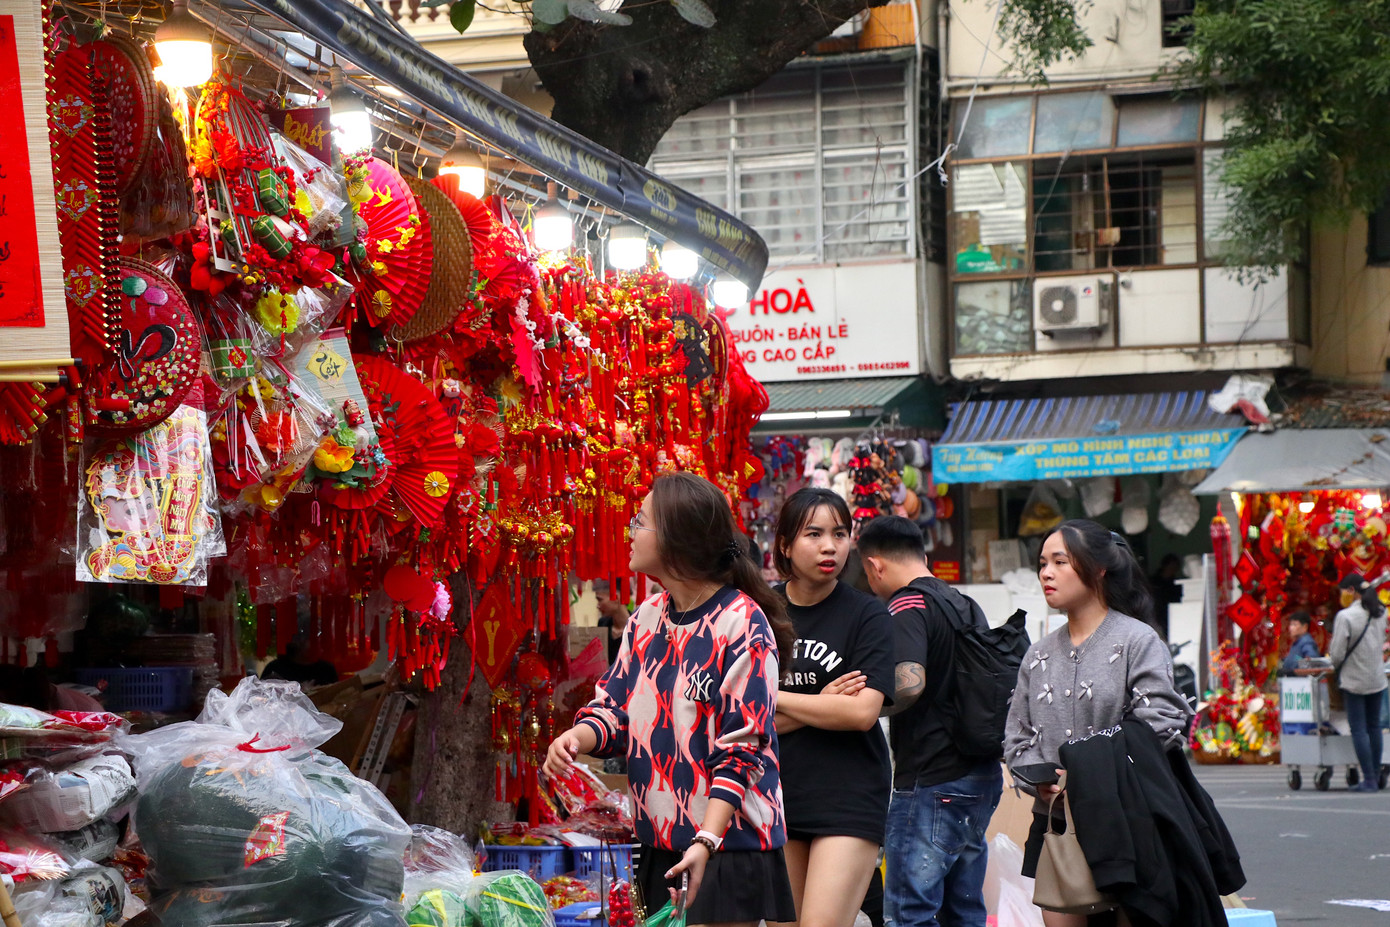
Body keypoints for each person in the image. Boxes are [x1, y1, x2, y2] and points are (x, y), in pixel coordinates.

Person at [544, 472, 798, 925]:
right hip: (662, 840)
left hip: (726, 843)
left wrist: (706, 841)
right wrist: (575, 739)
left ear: (677, 539)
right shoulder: (645, 619)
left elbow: (743, 750)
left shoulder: (741, 624)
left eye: (640, 522)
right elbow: (615, 710)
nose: (630, 531)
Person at [1004, 519, 1193, 927]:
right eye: (1042, 563)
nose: (1046, 573)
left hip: (1128, 823)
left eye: (1060, 562)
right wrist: (1037, 778)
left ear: (1099, 568)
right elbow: (1017, 736)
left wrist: (1092, 774)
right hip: (1056, 823)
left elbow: (1159, 724)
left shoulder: (1137, 641)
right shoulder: (1036, 655)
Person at [857, 515, 1002, 927]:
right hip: (978, 776)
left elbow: (910, 682)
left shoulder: (907, 603)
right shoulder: (963, 604)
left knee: (909, 913)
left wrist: (869, 708)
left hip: (931, 780)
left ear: (875, 565)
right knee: (964, 910)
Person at [770, 488, 896, 927]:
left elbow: (861, 714)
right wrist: (823, 702)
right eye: (814, 534)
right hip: (776, 796)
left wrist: (772, 699)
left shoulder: (868, 615)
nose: (830, 546)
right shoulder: (759, 611)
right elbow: (739, 718)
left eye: (840, 534)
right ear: (785, 544)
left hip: (849, 796)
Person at [1328, 573, 1387, 792]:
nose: (1342, 595)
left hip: (1354, 680)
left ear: (1351, 591)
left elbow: (1336, 654)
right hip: (1376, 678)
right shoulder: (1380, 612)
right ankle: (1376, 776)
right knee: (1375, 727)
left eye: (1343, 591)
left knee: (1359, 729)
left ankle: (1369, 779)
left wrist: (1332, 664)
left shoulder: (1346, 616)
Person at [260, 635, 338, 688]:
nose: (318, 644)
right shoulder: (275, 668)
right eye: (313, 640)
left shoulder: (327, 670)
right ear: (298, 641)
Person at [1149, 554, 1183, 639]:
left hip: (1172, 614)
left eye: (1175, 568)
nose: (1172, 570)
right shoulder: (1153, 581)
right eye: (1171, 567)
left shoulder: (1176, 583)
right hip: (1156, 614)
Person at [1280, 610, 1321, 674]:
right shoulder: (1298, 643)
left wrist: (1293, 671)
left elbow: (1312, 663)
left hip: (1301, 682)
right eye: (1290, 624)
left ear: (1305, 627)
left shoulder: (1307, 643)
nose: (1290, 628)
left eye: (1294, 625)